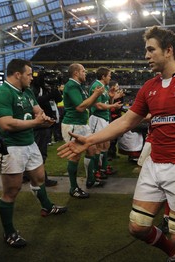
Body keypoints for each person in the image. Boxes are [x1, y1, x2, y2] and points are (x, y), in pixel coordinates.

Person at [58, 26, 175, 261]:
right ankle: (172, 255)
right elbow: (126, 121)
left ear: (168, 50)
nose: (146, 55)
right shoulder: (149, 87)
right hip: (154, 165)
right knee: (137, 227)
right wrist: (89, 140)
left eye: (150, 49)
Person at [0, 59, 67, 248]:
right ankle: (9, 233)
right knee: (11, 191)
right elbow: (6, 123)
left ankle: (47, 207)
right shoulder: (2, 93)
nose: (30, 78)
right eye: (28, 74)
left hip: (29, 143)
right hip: (11, 147)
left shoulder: (27, 92)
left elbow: (38, 111)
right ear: (17, 74)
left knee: (39, 178)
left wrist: (44, 118)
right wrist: (36, 123)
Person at [61, 63, 105, 198]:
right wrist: (96, 94)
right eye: (83, 71)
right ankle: (73, 188)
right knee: (74, 155)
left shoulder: (79, 86)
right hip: (73, 125)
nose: (85, 74)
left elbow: (88, 103)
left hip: (81, 124)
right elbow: (80, 107)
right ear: (76, 73)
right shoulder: (71, 86)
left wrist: (95, 96)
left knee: (91, 149)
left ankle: (90, 179)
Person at [88, 67, 123, 180]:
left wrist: (112, 98)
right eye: (109, 76)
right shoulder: (96, 86)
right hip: (97, 118)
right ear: (103, 76)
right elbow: (98, 106)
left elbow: (107, 103)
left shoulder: (105, 87)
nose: (110, 78)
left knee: (106, 144)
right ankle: (96, 170)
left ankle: (103, 167)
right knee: (98, 145)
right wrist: (113, 105)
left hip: (104, 118)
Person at [32, 78, 63, 187]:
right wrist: (49, 95)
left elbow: (58, 99)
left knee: (40, 152)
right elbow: (35, 101)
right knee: (40, 153)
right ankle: (42, 178)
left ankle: (29, 175)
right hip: (40, 125)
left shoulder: (46, 89)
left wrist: (55, 90)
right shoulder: (35, 89)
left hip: (47, 124)